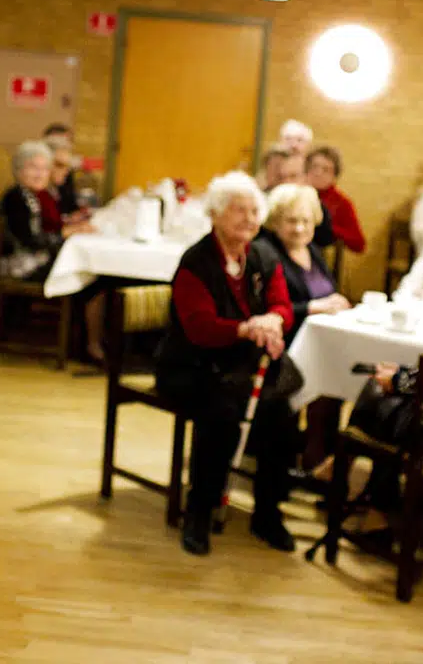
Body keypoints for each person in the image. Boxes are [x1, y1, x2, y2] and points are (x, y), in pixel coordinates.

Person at [155, 173, 300, 556]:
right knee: (219, 416)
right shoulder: (196, 262)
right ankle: (198, 513)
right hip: (193, 365)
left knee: (282, 417)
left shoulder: (264, 256)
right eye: (239, 210)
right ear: (215, 215)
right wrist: (245, 328)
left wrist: (274, 321)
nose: (249, 219)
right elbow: (200, 328)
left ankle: (268, 513)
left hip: (243, 367)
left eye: (255, 211)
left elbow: (282, 305)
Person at [257, 183, 350, 469]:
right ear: (275, 221)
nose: (299, 228)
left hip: (322, 339)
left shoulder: (313, 251)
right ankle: (308, 457)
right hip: (287, 343)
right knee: (330, 370)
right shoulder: (266, 253)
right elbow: (265, 308)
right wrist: (312, 307)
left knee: (347, 370)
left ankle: (319, 454)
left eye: (306, 221)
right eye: (291, 220)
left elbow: (327, 292)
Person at [0, 141, 104, 362]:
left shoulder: (31, 196)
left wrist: (69, 230)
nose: (40, 173)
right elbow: (31, 241)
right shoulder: (17, 198)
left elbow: (44, 231)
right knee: (88, 279)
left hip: (33, 258)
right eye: (33, 167)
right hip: (22, 265)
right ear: (19, 169)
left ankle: (81, 343)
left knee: (85, 275)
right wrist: (66, 234)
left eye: (44, 168)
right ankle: (83, 346)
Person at [305, 145, 366, 254]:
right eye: (314, 167)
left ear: (334, 176)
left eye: (326, 170)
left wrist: (327, 227)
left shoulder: (341, 203)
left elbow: (359, 244)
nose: (318, 173)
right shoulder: (295, 193)